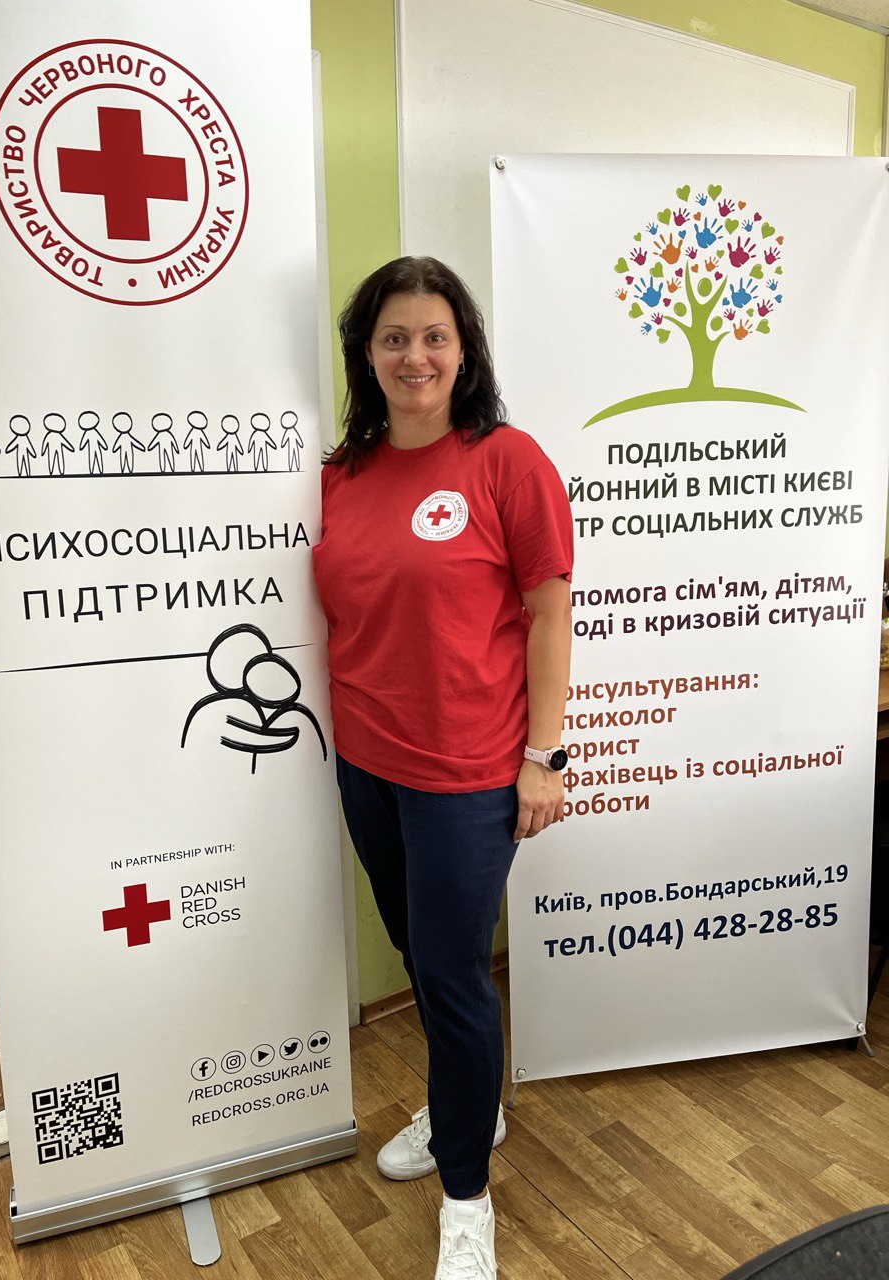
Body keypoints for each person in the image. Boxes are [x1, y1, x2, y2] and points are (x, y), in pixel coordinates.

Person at [312, 256, 573, 1280]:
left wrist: (543, 755)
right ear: (366, 354)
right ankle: (471, 1106)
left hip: (466, 773)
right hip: (366, 761)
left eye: (434, 337)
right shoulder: (339, 474)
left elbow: (549, 614)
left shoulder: (507, 462)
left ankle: (467, 1196)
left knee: (453, 976)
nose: (414, 356)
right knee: (421, 958)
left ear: (464, 352)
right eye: (394, 338)